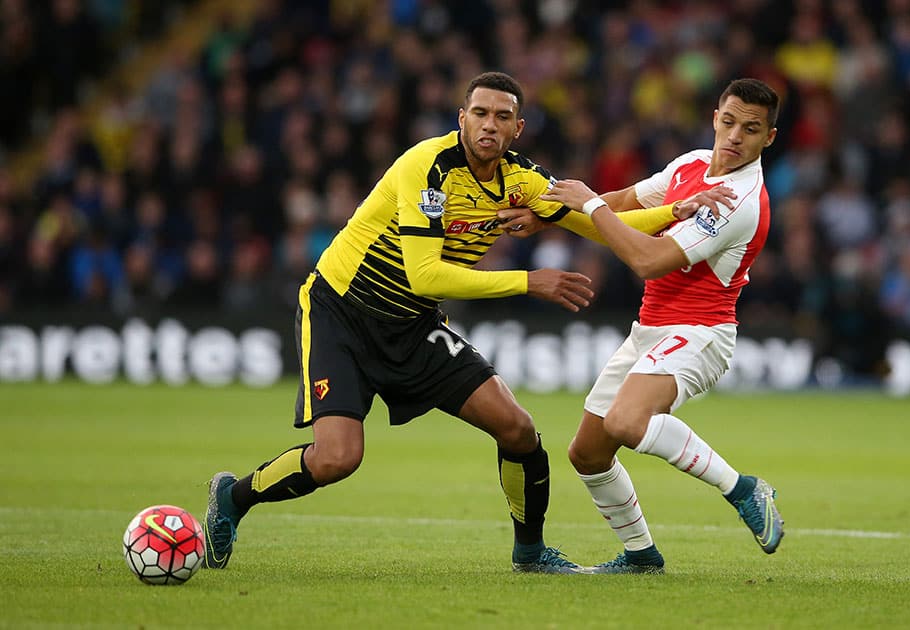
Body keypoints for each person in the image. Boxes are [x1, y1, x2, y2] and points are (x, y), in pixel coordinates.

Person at [203, 72, 692, 575]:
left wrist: (680, 212)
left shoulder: (521, 180)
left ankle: (530, 555)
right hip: (343, 313)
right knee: (336, 458)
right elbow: (424, 273)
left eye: (502, 117)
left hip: (412, 325)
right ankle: (233, 498)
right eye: (480, 114)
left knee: (518, 429)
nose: (489, 125)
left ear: (517, 129)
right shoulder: (426, 167)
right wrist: (529, 281)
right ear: (462, 118)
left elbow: (600, 224)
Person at [518, 77, 785, 573]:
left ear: (767, 138)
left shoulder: (739, 200)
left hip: (701, 333)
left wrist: (589, 204)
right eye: (728, 122)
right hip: (649, 330)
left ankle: (744, 488)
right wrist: (549, 216)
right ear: (714, 117)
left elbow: (648, 260)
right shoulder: (689, 164)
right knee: (588, 453)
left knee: (625, 422)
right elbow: (622, 203)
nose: (734, 137)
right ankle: (642, 556)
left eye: (750, 129)